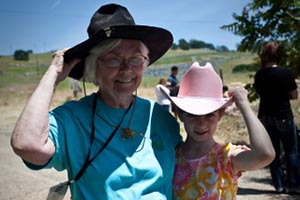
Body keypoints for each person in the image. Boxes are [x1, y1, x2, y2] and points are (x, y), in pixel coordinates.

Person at [10, 4, 182, 199]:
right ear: (93, 67)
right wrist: (52, 76)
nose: (126, 69)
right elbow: (27, 144)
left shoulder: (160, 117)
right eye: (113, 59)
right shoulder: (72, 119)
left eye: (135, 58)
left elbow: (188, 170)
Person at [161, 62, 275, 199]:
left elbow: (265, 154)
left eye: (209, 115)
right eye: (192, 114)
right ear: (180, 114)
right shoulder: (171, 157)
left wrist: (244, 106)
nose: (201, 123)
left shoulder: (226, 158)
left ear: (220, 114)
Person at [254, 41, 299, 193]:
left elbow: (260, 94)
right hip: (284, 115)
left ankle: (278, 185)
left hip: (266, 116)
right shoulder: (286, 73)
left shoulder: (259, 75)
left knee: (273, 153)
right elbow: (294, 95)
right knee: (291, 151)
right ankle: (293, 185)